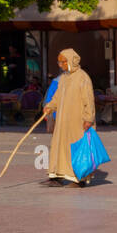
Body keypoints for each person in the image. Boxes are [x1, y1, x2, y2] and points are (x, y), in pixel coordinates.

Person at [41, 49, 95, 187]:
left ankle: (78, 179)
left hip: (77, 121)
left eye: (63, 62)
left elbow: (88, 100)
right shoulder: (64, 78)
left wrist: (89, 118)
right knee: (59, 147)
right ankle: (57, 175)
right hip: (62, 121)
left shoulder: (83, 78)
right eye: (59, 62)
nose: (60, 65)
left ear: (71, 61)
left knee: (76, 149)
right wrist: (50, 106)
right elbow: (57, 97)